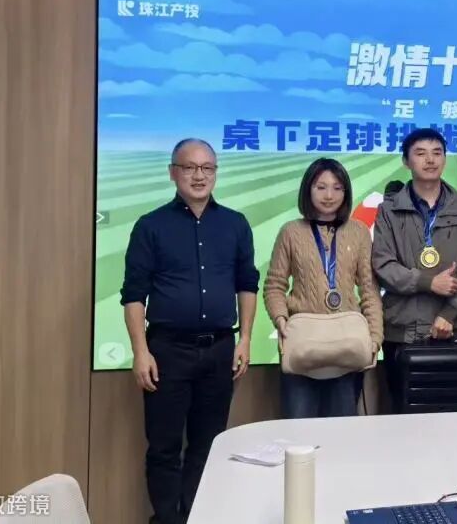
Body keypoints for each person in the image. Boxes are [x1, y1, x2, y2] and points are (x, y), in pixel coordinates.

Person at [120, 138, 258, 524]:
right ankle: (168, 520)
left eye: (207, 168)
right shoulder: (151, 226)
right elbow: (134, 295)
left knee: (207, 445)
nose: (199, 175)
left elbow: (247, 285)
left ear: (215, 173)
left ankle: (197, 517)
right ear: (173, 173)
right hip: (167, 352)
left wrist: (245, 339)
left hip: (219, 350)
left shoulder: (235, 224)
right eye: (190, 167)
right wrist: (141, 351)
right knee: (164, 447)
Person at [371, 127, 457, 413]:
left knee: (454, 415)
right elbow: (383, 264)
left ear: (445, 159)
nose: (430, 160)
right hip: (402, 331)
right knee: (402, 415)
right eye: (420, 153)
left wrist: (450, 313)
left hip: (454, 330)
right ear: (406, 161)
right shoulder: (388, 211)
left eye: (437, 153)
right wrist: (427, 282)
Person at [264, 158, 383, 418]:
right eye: (321, 187)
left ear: (346, 192)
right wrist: (281, 318)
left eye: (337, 188)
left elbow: (369, 290)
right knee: (298, 429)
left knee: (341, 430)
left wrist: (375, 337)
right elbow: (274, 285)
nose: (329, 195)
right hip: (303, 343)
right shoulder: (290, 232)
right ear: (308, 189)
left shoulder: (359, 232)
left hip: (347, 344)